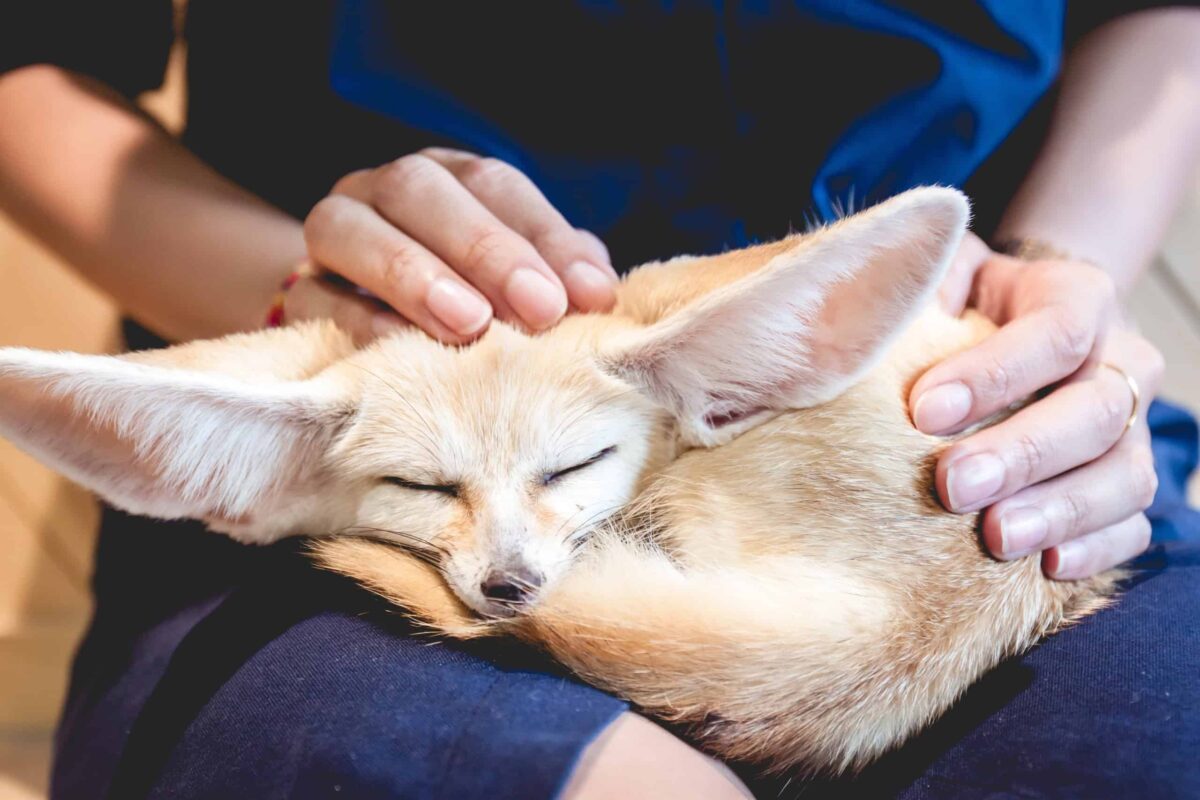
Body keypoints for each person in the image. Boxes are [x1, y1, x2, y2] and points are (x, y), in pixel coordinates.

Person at [1, 2, 1198, 798]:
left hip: (942, 398)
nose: (509, 569)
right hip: (339, 383)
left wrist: (1046, 281)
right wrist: (312, 300)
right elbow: (31, 51)